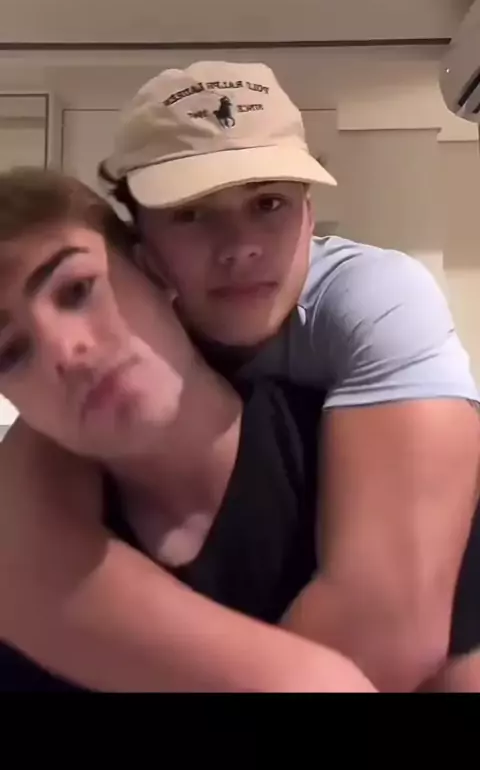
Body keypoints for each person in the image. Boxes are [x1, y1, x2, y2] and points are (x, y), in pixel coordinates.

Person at [0, 170, 479, 694]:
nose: (66, 352)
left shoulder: (387, 465)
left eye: (76, 290)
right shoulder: (26, 590)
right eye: (10, 352)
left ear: (151, 272)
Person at [98, 60, 480, 691]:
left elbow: (387, 631)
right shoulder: (108, 327)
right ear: (140, 245)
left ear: (308, 215)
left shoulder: (374, 298)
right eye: (192, 214)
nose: (240, 245)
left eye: (268, 203)